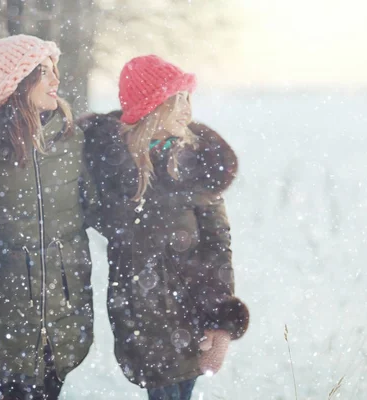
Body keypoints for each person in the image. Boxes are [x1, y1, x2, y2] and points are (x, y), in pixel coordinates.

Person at [78, 55, 250, 400]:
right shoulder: (110, 165)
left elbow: (218, 246)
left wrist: (220, 324)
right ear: (151, 107)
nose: (187, 109)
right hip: (139, 320)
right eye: (177, 100)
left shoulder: (197, 164)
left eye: (189, 98)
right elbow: (76, 212)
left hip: (192, 318)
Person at [0, 35, 99, 400]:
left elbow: (97, 207)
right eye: (44, 71)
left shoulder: (70, 138)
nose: (56, 79)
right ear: (17, 80)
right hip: (5, 321)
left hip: (63, 317)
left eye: (55, 68)